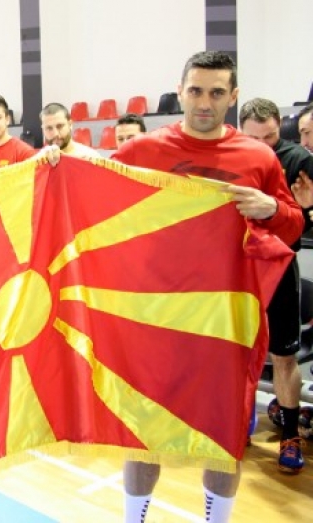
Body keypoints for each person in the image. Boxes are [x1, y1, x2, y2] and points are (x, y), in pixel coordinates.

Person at [109, 51, 303, 523]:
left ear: (232, 96)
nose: (203, 102)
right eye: (195, 90)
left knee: (223, 439)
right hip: (155, 322)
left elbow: (293, 225)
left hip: (225, 324)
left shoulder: (258, 157)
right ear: (180, 91)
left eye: (216, 93)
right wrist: (56, 160)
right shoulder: (142, 151)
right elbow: (87, 191)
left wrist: (271, 209)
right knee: (145, 437)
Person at [240, 96, 313, 473]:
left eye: (270, 137)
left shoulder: (298, 160)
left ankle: (289, 435)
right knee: (238, 353)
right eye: (254, 139)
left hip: (281, 269)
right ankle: (239, 422)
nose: (264, 147)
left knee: (284, 357)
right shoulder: (230, 158)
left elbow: (305, 224)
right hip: (240, 271)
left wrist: (306, 209)